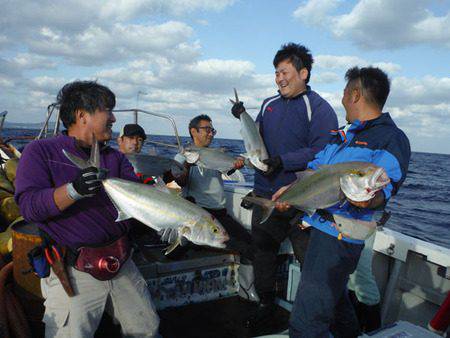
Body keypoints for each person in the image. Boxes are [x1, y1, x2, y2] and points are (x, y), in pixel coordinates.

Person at [14, 81, 160, 337]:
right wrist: (73, 190)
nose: (114, 118)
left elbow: (138, 201)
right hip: (73, 268)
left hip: (122, 261)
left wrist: (170, 214)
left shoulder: (115, 158)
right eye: (108, 110)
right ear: (82, 114)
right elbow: (29, 207)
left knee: (147, 329)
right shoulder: (40, 152)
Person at [273, 66, 411, 337]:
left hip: (337, 240)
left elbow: (385, 187)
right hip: (317, 228)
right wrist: (289, 190)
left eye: (345, 93)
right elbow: (314, 169)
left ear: (355, 94)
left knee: (305, 324)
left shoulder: (391, 139)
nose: (342, 99)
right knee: (336, 305)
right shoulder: (344, 136)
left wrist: (369, 201)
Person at [231, 42, 338, 328]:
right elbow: (256, 140)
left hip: (304, 200)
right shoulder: (268, 104)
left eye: (284, 72)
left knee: (311, 262)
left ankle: (311, 315)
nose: (279, 78)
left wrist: (284, 161)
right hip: (266, 194)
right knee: (263, 252)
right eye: (276, 72)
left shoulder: (320, 109)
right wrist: (242, 117)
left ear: (303, 73)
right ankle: (265, 303)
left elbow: (323, 151)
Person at [170, 114, 258, 301]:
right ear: (193, 131)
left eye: (212, 130)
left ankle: (246, 289)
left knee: (250, 244)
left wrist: (238, 164)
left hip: (220, 214)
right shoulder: (183, 153)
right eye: (207, 130)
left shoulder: (215, 154)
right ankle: (190, 242)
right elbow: (179, 180)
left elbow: (229, 169)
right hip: (198, 214)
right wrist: (187, 162)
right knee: (171, 255)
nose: (211, 134)